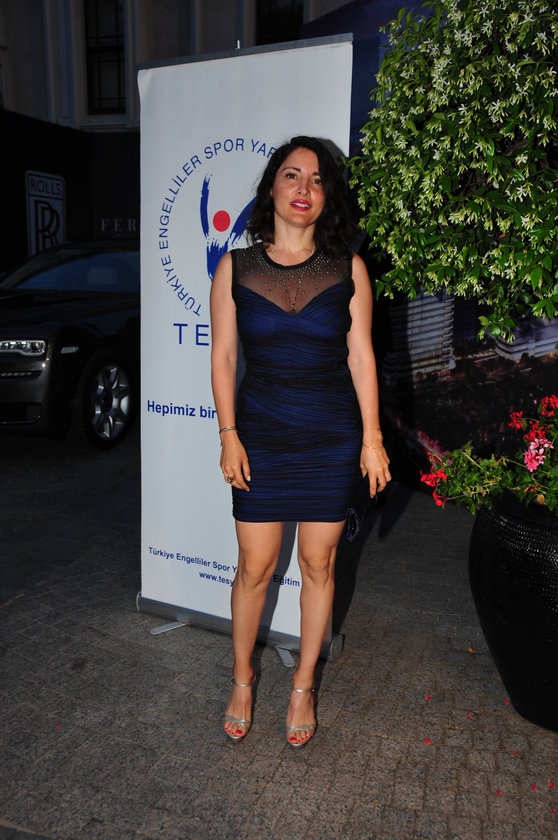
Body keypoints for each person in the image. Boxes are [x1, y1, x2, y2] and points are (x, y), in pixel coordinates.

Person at [209, 136, 391, 748]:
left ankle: (304, 686)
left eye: (316, 180)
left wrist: (371, 438)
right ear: (272, 188)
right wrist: (228, 435)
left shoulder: (348, 270)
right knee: (255, 567)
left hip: (329, 437)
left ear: (327, 197)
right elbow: (223, 357)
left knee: (319, 564)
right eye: (292, 176)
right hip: (260, 435)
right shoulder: (235, 268)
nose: (304, 188)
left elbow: (361, 358)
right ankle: (242, 679)